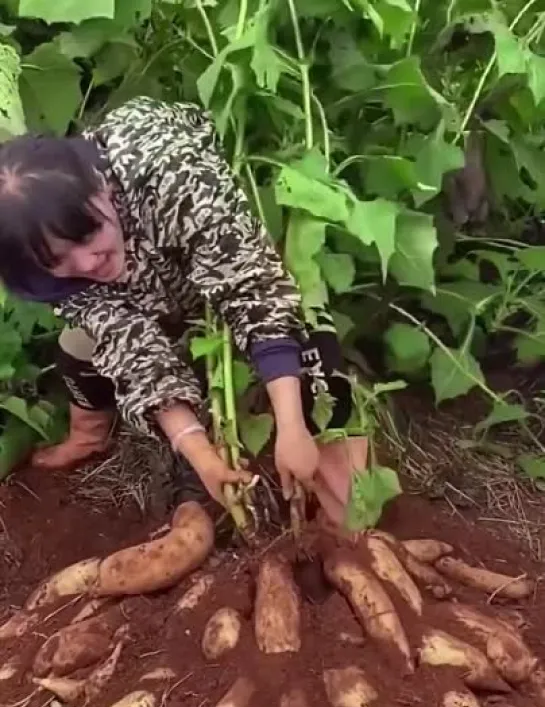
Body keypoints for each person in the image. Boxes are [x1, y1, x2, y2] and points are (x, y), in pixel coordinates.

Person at [0, 97, 367, 525]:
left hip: (228, 244)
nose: (85, 264)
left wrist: (290, 427)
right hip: (156, 285)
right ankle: (88, 437)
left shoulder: (171, 174)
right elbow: (129, 346)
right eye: (59, 260)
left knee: (310, 351)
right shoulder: (43, 267)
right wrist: (199, 453)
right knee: (80, 349)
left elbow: (252, 291)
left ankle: (348, 519)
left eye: (88, 234)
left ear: (102, 187)